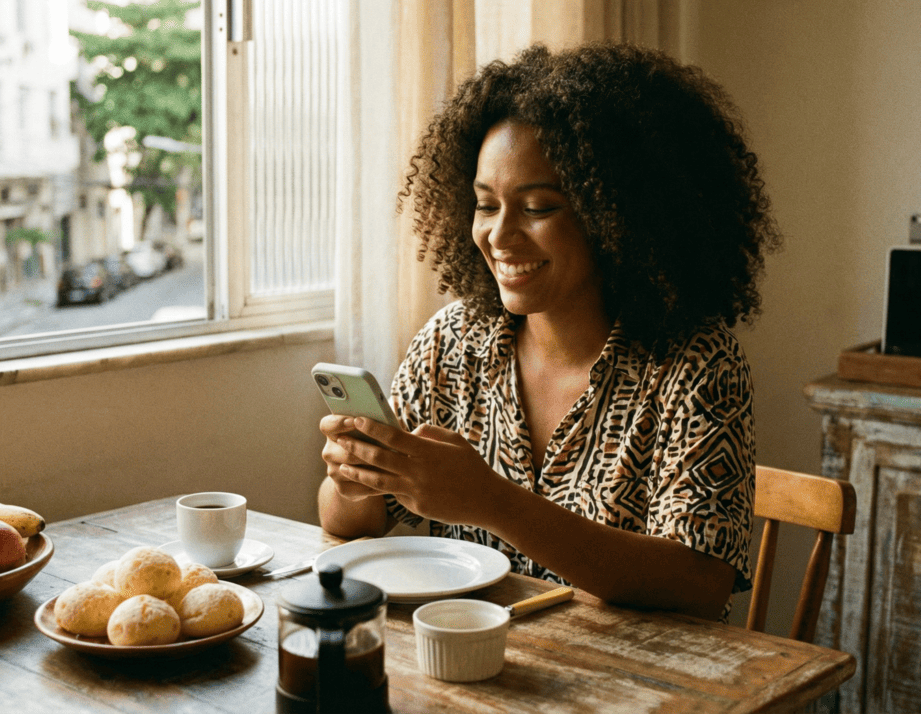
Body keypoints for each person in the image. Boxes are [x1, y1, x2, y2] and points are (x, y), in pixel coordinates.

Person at [317, 43, 780, 621]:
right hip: (482, 668)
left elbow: (700, 582)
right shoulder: (455, 341)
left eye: (537, 207)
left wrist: (491, 501)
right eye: (486, 206)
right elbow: (345, 522)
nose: (500, 236)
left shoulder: (695, 363)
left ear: (617, 215)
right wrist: (355, 478)